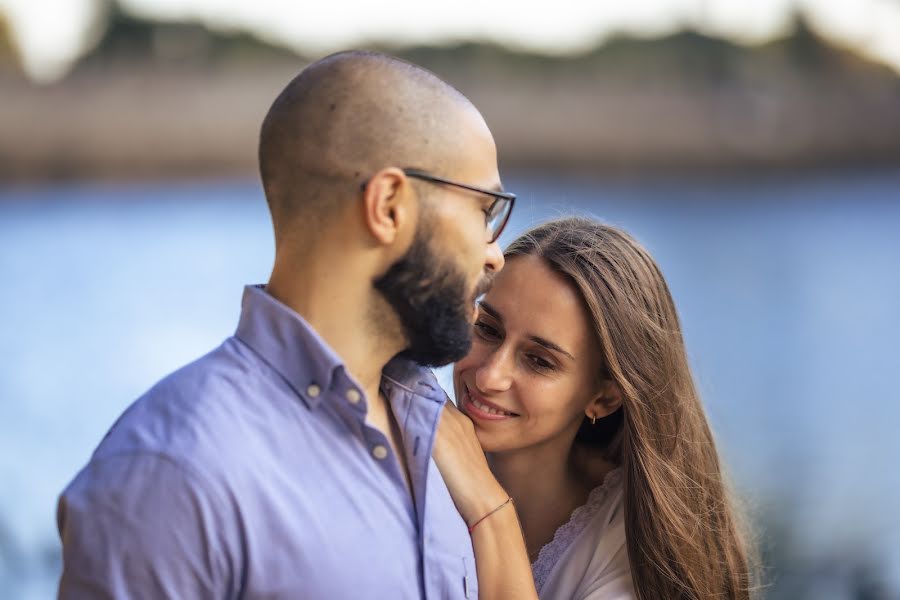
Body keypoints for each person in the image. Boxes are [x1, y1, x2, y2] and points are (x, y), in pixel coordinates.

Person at [57, 50, 517, 598]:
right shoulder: (173, 472)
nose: (496, 256)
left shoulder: (442, 431)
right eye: (484, 212)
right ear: (390, 206)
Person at [434, 217, 756, 599]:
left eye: (539, 360)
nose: (490, 377)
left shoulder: (626, 557)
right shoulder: (416, 447)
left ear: (604, 398)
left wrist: (492, 514)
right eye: (488, 329)